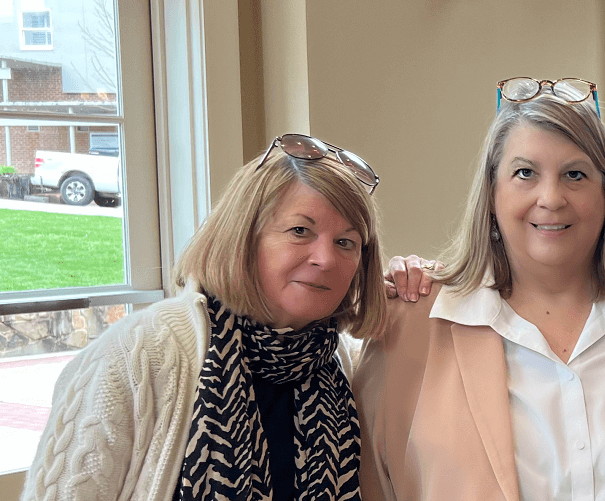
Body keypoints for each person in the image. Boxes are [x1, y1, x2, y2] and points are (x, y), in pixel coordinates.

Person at [353, 78, 605, 501]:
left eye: (575, 174)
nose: (550, 198)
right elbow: (371, 482)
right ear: (492, 192)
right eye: (525, 173)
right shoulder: (413, 322)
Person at [22, 133, 386, 501]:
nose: (325, 259)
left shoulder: (337, 362)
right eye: (300, 231)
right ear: (243, 235)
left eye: (346, 242)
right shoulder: (137, 358)